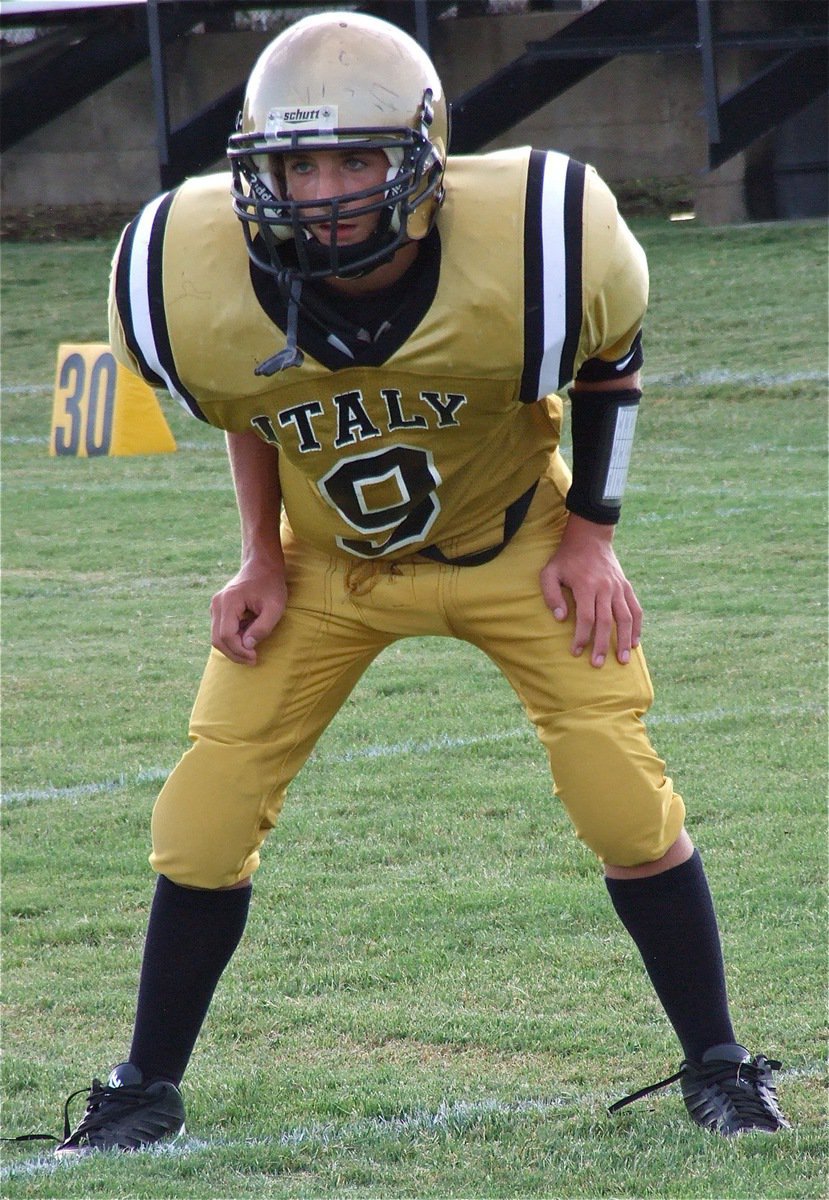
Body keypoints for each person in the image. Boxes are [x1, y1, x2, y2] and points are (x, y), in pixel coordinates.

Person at [56, 10, 788, 1154]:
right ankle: (142, 1087)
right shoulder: (186, 274)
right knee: (200, 822)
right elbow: (246, 403)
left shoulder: (537, 238)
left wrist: (592, 533)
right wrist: (257, 553)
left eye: (356, 158)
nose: (328, 191)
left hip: (517, 548)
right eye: (301, 163)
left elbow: (610, 359)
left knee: (621, 802)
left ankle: (720, 1065)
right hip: (326, 568)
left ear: (422, 164)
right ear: (260, 171)